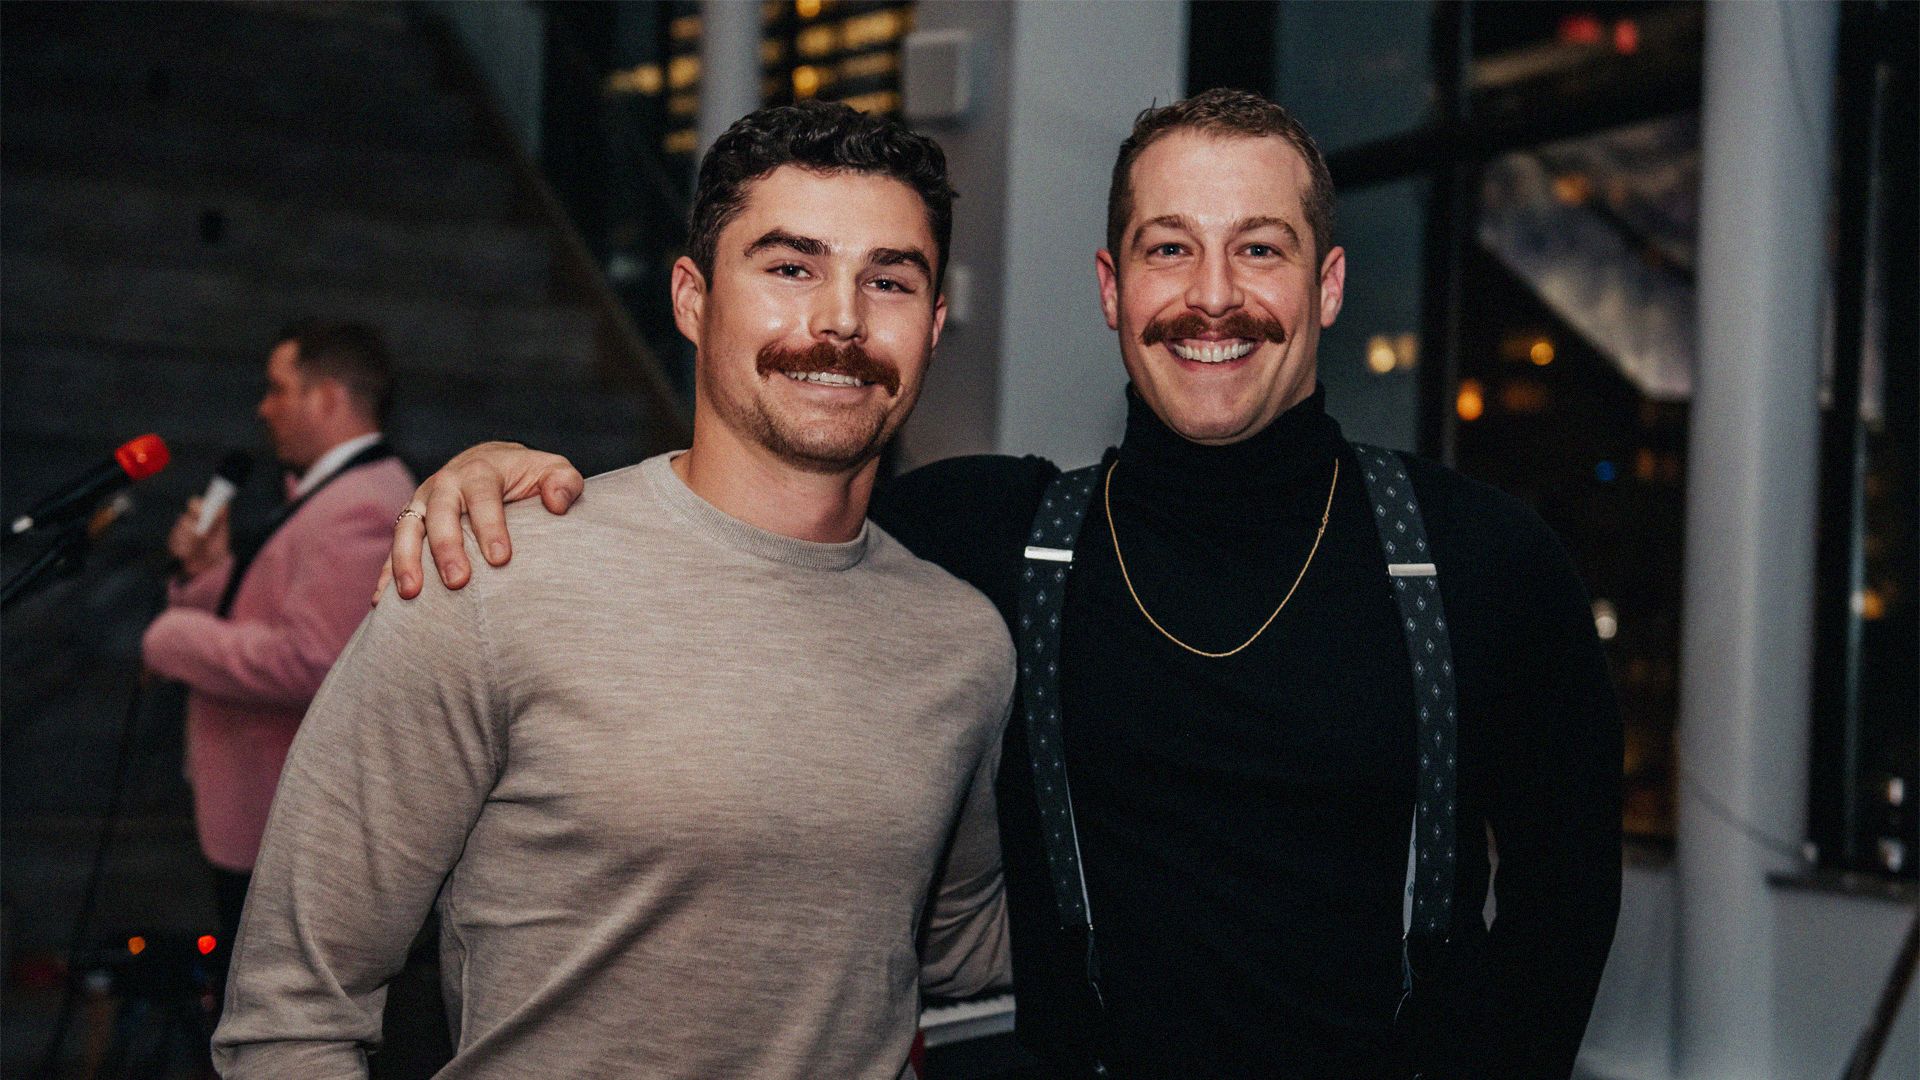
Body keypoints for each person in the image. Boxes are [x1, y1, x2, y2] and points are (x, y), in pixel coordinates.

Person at [388, 90, 1622, 1079]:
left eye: (1261, 250)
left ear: (1329, 286)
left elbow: (1568, 910)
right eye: (1168, 250)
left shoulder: (1484, 560)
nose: (1212, 298)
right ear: (1109, 290)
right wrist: (538, 490)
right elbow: (754, 509)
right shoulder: (986, 534)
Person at [212, 102, 1013, 1080]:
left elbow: (967, 942)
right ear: (690, 296)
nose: (840, 319)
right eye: (791, 267)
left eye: (887, 281)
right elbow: (289, 1009)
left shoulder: (963, 645)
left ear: (933, 327)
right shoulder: (496, 573)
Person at [144, 319, 415, 948]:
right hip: (266, 811)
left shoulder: (364, 503)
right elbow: (263, 611)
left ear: (327, 398)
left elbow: (313, 663)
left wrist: (172, 635)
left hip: (294, 823)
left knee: (275, 1030)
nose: (264, 409)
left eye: (278, 389)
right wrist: (207, 575)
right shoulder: (334, 491)